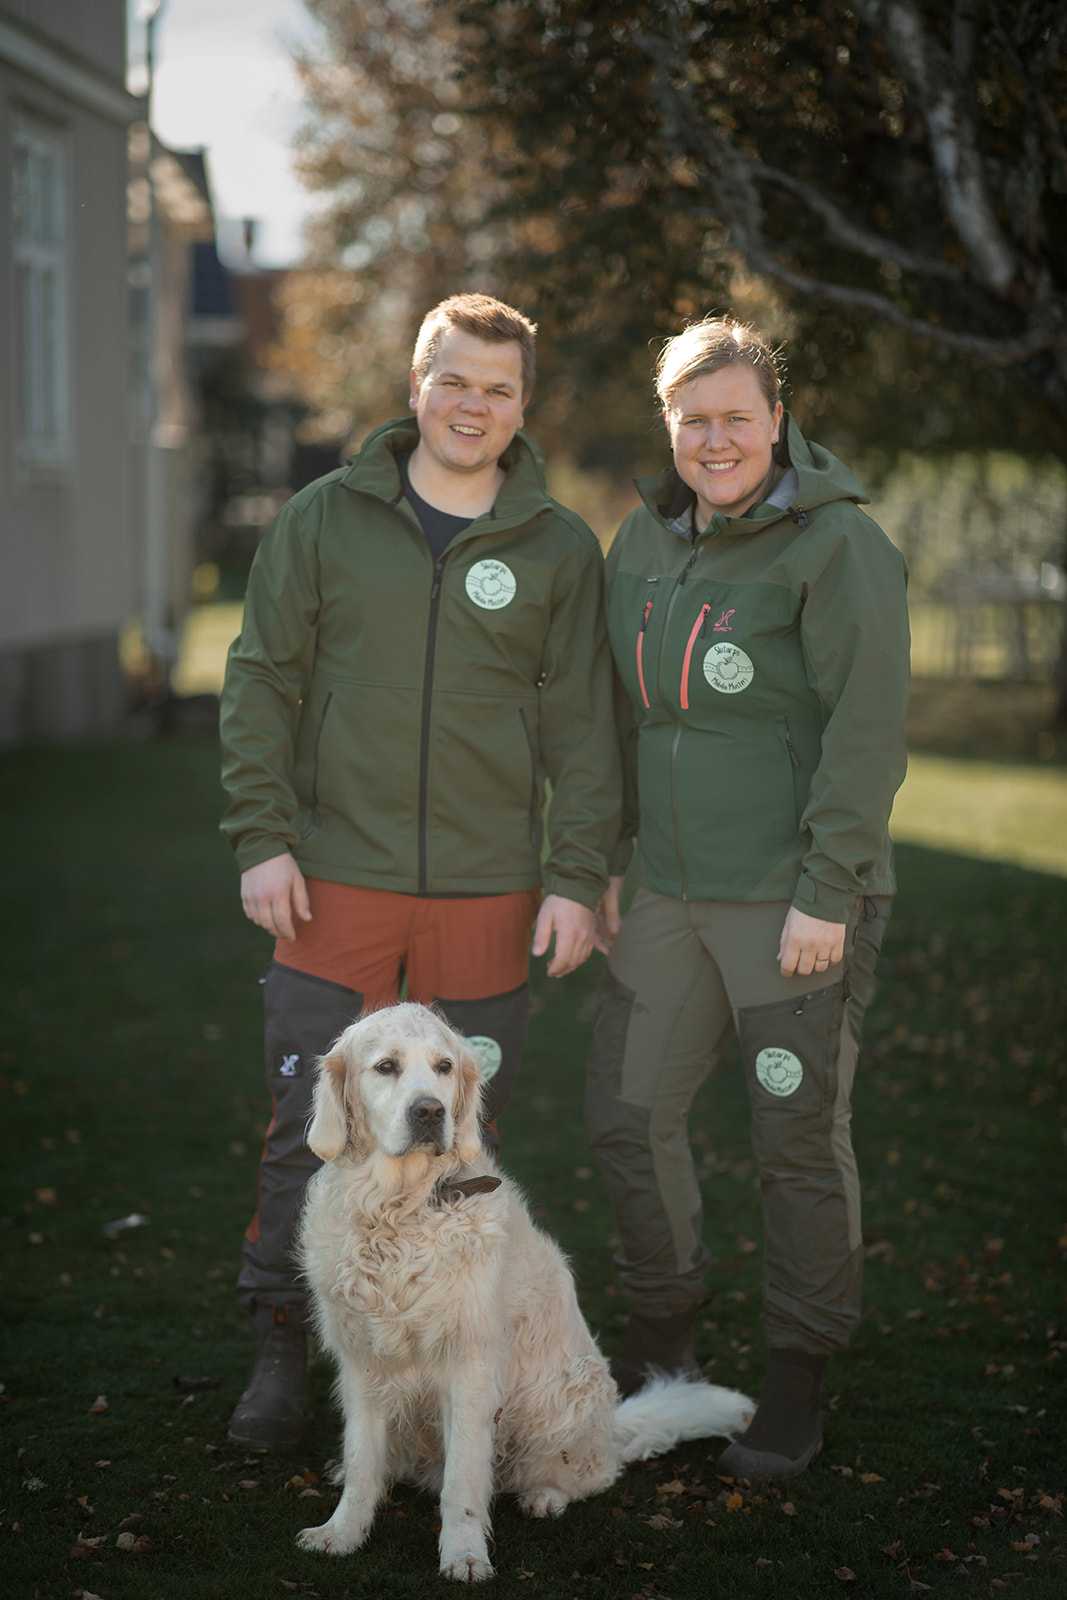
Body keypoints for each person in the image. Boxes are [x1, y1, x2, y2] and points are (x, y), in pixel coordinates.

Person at [219, 293, 619, 1450]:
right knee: (314, 1121)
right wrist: (261, 836)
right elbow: (259, 680)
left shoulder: (554, 546)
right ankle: (282, 1349)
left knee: (452, 1144)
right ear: (414, 385)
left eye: (497, 389)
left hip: (489, 894)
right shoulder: (322, 519)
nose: (472, 406)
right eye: (454, 381)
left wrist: (572, 872)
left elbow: (585, 730)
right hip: (333, 878)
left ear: (521, 407)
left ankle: (437, 1373)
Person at [587, 315, 909, 1480]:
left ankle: (794, 1375)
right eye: (691, 420)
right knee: (627, 1117)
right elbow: (621, 720)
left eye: (734, 417)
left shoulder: (837, 548)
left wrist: (827, 889)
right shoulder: (640, 542)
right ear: (666, 426)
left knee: (792, 1139)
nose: (713, 439)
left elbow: (866, 737)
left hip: (792, 906)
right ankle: (662, 1350)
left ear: (775, 420)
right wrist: (610, 853)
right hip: (665, 894)